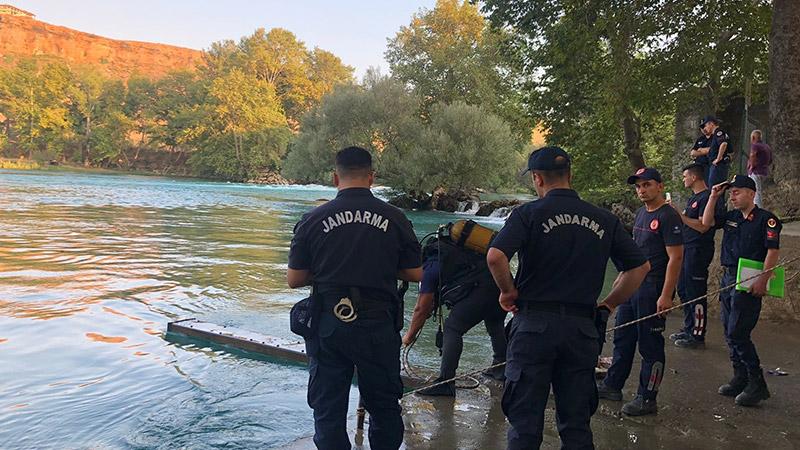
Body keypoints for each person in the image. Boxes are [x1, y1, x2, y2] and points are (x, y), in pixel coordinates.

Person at [486, 146, 650, 449]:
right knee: (576, 424)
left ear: (537, 179)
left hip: (534, 326)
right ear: (570, 175)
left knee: (524, 423)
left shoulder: (528, 214)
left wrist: (507, 291)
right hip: (581, 329)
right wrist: (610, 303)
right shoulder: (604, 219)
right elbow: (640, 267)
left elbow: (496, 256)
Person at [287, 146, 422, 450]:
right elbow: (416, 273)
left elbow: (295, 279)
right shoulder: (395, 217)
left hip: (328, 323)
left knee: (328, 410)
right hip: (378, 324)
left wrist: (328, 274)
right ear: (372, 177)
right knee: (385, 407)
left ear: (336, 177)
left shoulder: (313, 219)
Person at [598, 167, 683, 416]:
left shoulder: (668, 217)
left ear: (659, 186)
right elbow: (633, 255)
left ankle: (647, 397)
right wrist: (620, 284)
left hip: (654, 286)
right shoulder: (640, 214)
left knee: (650, 345)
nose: (642, 190)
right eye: (638, 186)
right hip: (634, 285)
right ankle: (613, 384)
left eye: (647, 185)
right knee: (623, 338)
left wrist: (666, 295)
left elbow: (676, 257)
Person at [701, 175, 781, 407]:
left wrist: (763, 280)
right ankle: (740, 377)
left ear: (751, 193)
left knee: (738, 332)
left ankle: (757, 383)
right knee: (728, 329)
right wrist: (714, 195)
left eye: (737, 192)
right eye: (731, 193)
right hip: (728, 276)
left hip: (750, 277)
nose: (733, 196)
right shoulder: (732, 217)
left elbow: (772, 252)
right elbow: (706, 223)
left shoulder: (767, 220)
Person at [402, 228, 508, 397]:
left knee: (453, 328)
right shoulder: (446, 252)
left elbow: (421, 309)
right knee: (495, 323)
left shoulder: (429, 266)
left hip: (483, 288)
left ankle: (446, 382)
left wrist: (409, 336)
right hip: (500, 281)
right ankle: (500, 368)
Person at [668, 163, 723, 349]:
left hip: (698, 250)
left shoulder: (707, 198)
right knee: (683, 289)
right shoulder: (694, 198)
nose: (683, 179)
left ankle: (698, 335)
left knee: (695, 292)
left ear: (694, 177)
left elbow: (702, 226)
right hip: (686, 248)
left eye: (685, 176)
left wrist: (679, 215)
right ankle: (689, 327)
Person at [700, 116, 731, 187]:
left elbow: (723, 144)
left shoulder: (718, 132)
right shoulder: (715, 135)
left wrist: (718, 158)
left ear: (711, 124)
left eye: (706, 125)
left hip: (718, 166)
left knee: (715, 187)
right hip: (716, 165)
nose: (705, 128)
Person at [747, 129, 772, 207]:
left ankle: (758, 210)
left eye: (751, 138)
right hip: (764, 172)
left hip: (756, 171)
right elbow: (770, 160)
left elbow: (753, 155)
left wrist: (751, 166)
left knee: (755, 192)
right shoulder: (767, 146)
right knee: (761, 192)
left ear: (754, 137)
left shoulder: (755, 146)